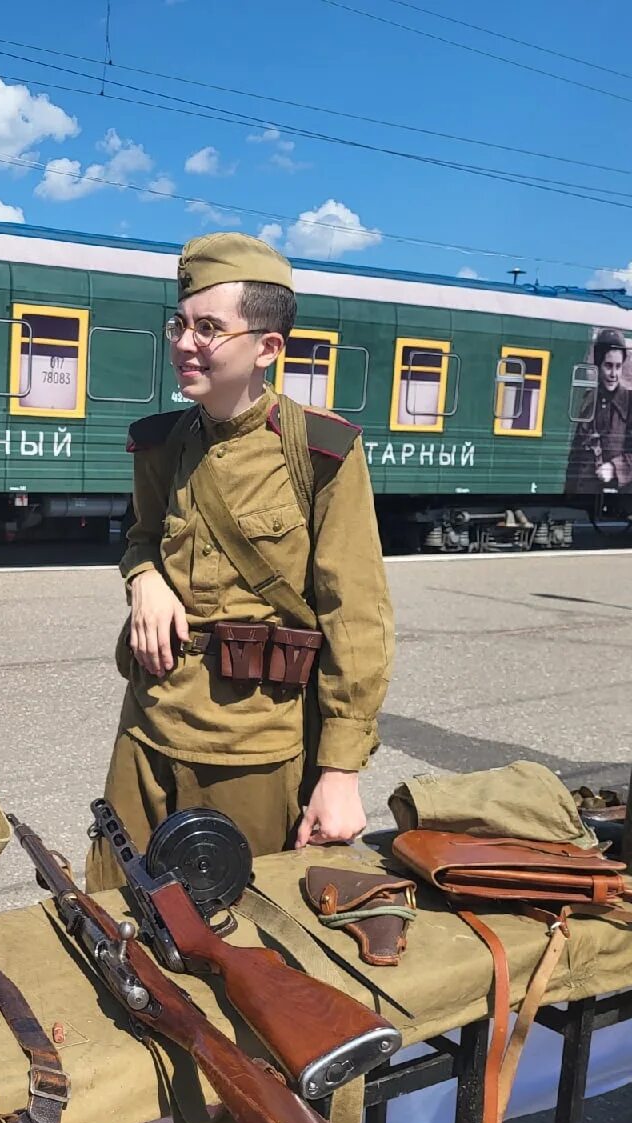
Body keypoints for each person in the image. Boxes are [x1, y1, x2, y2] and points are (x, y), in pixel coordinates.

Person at [85, 232, 394, 891]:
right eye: (179, 324)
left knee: (242, 933)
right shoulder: (160, 445)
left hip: (253, 751)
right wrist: (143, 580)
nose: (184, 343)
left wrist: (339, 773)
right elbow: (141, 538)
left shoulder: (320, 453)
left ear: (267, 348)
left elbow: (356, 617)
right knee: (118, 916)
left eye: (208, 328)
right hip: (147, 732)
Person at [564, 327, 632, 495]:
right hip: (579, 496)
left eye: (618, 367)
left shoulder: (631, 403)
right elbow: (575, 455)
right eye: (608, 366)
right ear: (598, 365)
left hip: (612, 499)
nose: (614, 374)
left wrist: (614, 468)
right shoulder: (587, 400)